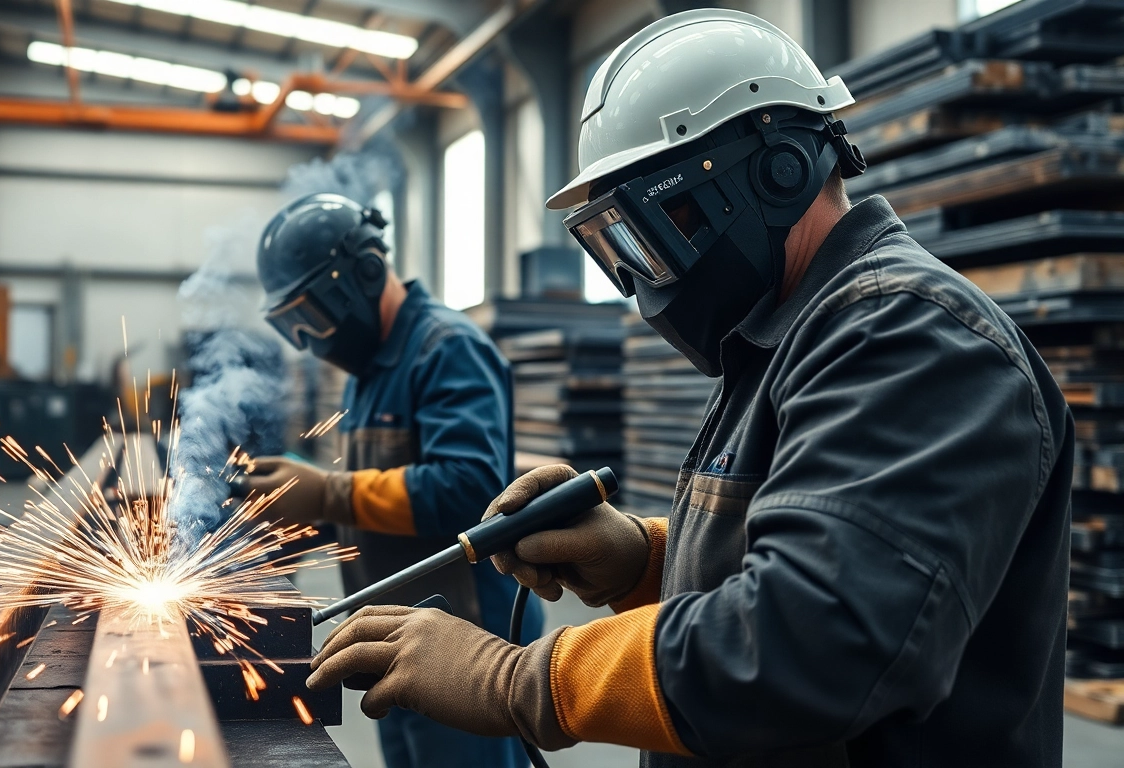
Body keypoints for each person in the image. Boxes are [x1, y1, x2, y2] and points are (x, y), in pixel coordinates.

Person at [305, 10, 1072, 768]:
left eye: (651, 229)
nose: (640, 283)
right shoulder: (781, 336)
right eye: (615, 247)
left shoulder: (908, 338)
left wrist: (514, 678)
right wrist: (642, 558)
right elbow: (804, 545)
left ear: (778, 170)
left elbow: (809, 643)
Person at [245, 193, 543, 768]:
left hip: (466, 641)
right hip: (394, 634)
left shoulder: (447, 349)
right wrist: (292, 524)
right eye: (294, 326)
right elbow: (372, 498)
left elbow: (467, 487)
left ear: (364, 273)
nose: (311, 339)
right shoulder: (367, 372)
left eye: (313, 315)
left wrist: (326, 492)